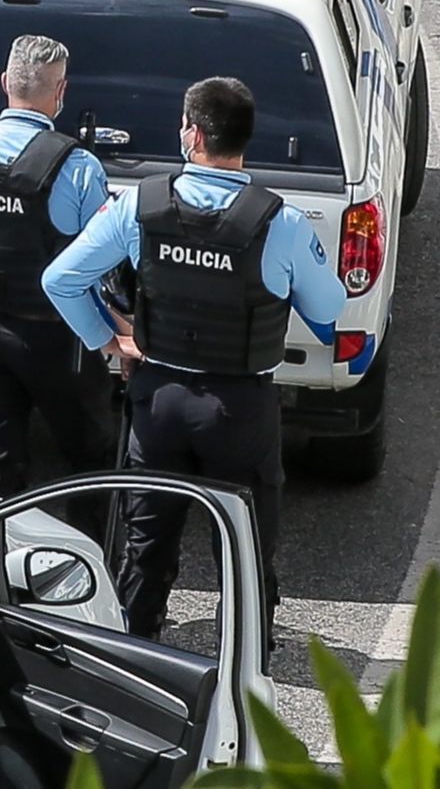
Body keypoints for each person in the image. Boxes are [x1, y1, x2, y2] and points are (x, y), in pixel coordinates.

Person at [40, 77, 346, 648]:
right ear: (244, 139)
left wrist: (112, 342)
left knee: (147, 544)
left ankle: (136, 656)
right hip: (240, 409)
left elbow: (61, 279)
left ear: (193, 134)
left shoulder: (140, 206)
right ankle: (246, 666)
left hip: (159, 399)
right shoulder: (278, 223)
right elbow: (329, 307)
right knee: (244, 547)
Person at [0, 35, 118, 503]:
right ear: (61, 93)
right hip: (55, 338)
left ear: (3, 84)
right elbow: (101, 267)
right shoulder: (77, 167)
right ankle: (93, 564)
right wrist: (117, 335)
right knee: (91, 460)